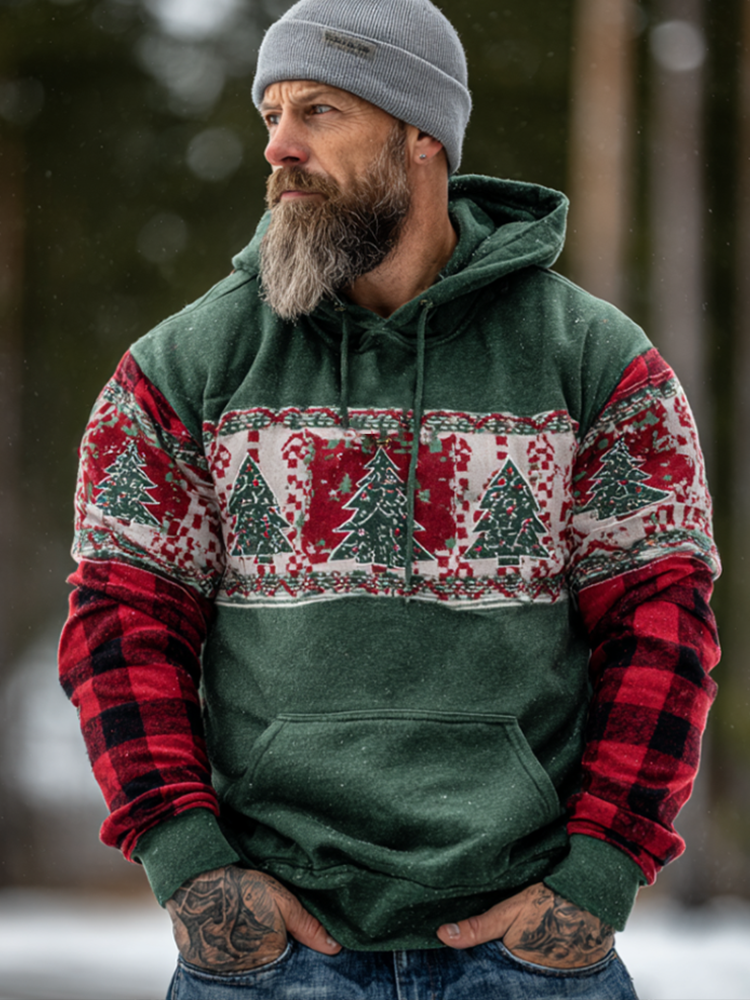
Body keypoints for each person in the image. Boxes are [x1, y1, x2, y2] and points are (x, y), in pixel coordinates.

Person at [58, 1, 721, 997]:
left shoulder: (594, 363)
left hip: (529, 952)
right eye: (271, 114)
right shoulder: (185, 368)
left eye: (318, 111)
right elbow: (120, 626)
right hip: (272, 955)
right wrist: (190, 864)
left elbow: (662, 630)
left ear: (421, 135)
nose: (278, 146)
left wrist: (598, 873)